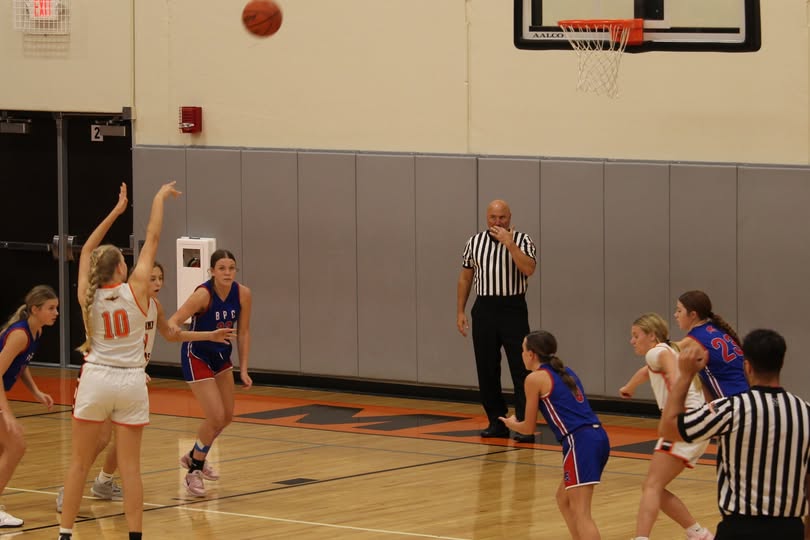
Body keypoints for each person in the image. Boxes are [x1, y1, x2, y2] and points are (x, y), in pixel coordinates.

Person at [55, 261, 235, 512]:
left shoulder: (155, 306)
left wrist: (209, 335)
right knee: (101, 438)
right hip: (104, 376)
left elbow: (172, 334)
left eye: (160, 278)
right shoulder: (122, 303)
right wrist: (131, 367)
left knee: (125, 437)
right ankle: (68, 488)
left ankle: (104, 482)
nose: (158, 283)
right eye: (152, 279)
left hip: (130, 379)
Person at [58, 181, 179, 540]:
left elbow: (85, 252)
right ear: (122, 270)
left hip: (96, 378)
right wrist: (158, 198)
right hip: (131, 381)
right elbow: (153, 236)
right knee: (130, 469)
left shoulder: (86, 295)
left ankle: (65, 533)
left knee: (79, 463)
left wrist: (115, 211)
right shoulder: (139, 290)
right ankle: (135, 536)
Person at [660, 328, 810, 540]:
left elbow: (668, 428)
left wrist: (685, 376)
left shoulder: (731, 408)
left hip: (740, 528)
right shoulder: (805, 411)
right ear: (781, 364)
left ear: (747, 366)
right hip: (790, 529)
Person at [500, 330, 609, 540]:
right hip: (596, 437)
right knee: (564, 499)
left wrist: (512, 424)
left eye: (522, 350)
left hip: (580, 441)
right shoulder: (566, 371)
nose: (521, 354)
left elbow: (528, 428)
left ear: (531, 354)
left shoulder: (534, 379)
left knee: (582, 512)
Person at [619, 313, 713, 540]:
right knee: (654, 487)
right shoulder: (667, 351)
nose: (632, 341)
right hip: (697, 423)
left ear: (651, 336)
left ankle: (642, 538)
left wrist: (672, 413)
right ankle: (698, 534)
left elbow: (673, 374)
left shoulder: (657, 352)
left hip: (683, 421)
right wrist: (629, 387)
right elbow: (648, 371)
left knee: (651, 486)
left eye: (636, 335)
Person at [168, 249, 252, 497]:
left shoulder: (243, 294)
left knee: (226, 417)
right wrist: (208, 335)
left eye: (231, 268)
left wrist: (244, 368)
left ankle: (195, 455)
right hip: (197, 355)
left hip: (221, 357)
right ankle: (194, 469)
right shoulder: (202, 295)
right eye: (222, 268)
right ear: (212, 271)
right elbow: (172, 326)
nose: (227, 273)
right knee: (215, 416)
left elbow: (244, 333)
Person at [456, 199, 536, 442]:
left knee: (521, 368)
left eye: (502, 217)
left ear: (510, 217)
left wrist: (510, 245)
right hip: (484, 308)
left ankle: (523, 424)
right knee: (487, 368)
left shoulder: (523, 240)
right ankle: (497, 421)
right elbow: (465, 279)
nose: (497, 222)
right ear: (487, 218)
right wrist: (460, 311)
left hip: (513, 308)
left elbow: (529, 269)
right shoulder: (474, 242)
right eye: (493, 217)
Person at [0, 285, 58, 527]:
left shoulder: (36, 332)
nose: (56, 312)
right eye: (51, 308)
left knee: (9, 447)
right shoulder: (20, 334)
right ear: (35, 309)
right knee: (16, 445)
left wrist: (35, 391)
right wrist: (8, 414)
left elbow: (21, 364)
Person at [673, 290, 748, 400]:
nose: (675, 315)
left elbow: (662, 352)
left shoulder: (692, 340)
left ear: (693, 315)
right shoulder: (716, 328)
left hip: (733, 400)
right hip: (749, 394)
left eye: (679, 311)